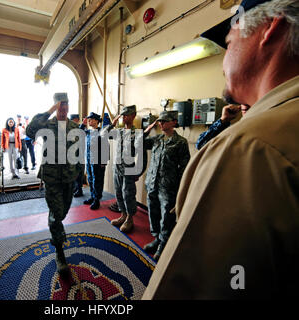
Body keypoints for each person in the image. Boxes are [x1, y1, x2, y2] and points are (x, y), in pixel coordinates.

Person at [143, 0, 299, 299]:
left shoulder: (248, 148)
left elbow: (189, 287)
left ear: (270, 29)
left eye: (228, 42)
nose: (223, 60)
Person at [26, 92, 80, 277]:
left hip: (69, 177)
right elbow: (30, 130)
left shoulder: (74, 126)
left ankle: (57, 232)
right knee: (56, 214)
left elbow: (78, 152)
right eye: (60, 105)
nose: (64, 108)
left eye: (66, 105)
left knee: (63, 211)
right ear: (56, 106)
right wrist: (50, 110)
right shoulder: (47, 124)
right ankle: (59, 251)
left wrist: (79, 173)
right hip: (52, 177)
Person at [143, 111, 190, 261]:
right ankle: (156, 238)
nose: (161, 123)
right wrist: (147, 130)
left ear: (173, 122)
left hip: (168, 186)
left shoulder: (180, 142)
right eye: (159, 121)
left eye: (164, 121)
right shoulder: (157, 139)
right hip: (152, 182)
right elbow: (138, 143)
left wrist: (181, 190)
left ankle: (164, 243)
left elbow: (184, 167)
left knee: (166, 216)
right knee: (153, 212)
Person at [100, 105, 147, 233]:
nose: (124, 117)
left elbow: (142, 156)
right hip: (117, 168)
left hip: (129, 170)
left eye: (126, 115)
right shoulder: (119, 132)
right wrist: (112, 123)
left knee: (128, 195)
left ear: (133, 116)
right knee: (119, 193)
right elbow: (102, 134)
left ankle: (130, 219)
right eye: (122, 115)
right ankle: (123, 215)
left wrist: (139, 172)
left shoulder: (137, 134)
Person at [80, 112, 107, 210]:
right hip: (89, 159)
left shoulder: (102, 132)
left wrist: (104, 161)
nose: (89, 121)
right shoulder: (88, 132)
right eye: (88, 119)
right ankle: (92, 196)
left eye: (91, 119)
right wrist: (83, 124)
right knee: (90, 179)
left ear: (96, 121)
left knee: (97, 180)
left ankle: (97, 200)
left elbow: (105, 147)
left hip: (98, 161)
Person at [70, 114, 84, 197]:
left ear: (78, 120)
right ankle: (75, 188)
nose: (72, 121)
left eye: (74, 120)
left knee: (79, 173)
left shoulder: (81, 129)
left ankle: (79, 189)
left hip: (80, 154)